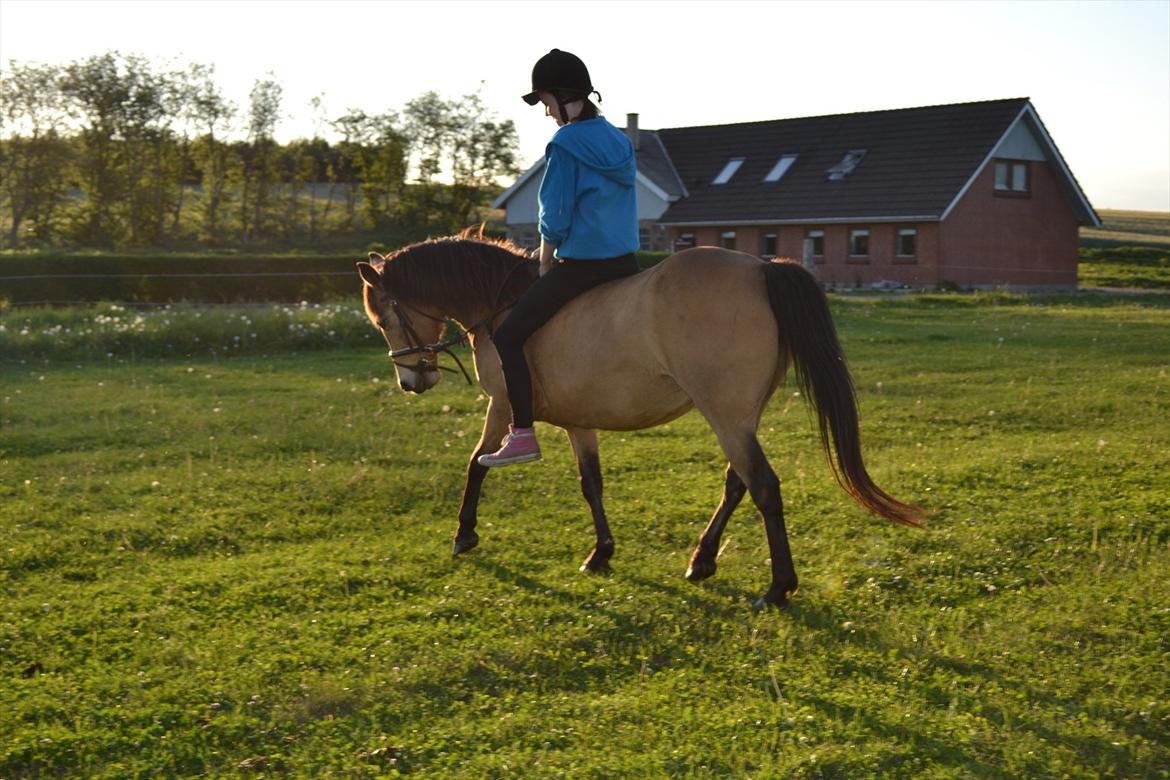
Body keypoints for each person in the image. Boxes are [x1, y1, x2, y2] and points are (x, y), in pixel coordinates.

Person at [478, 49, 640, 467]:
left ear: (567, 98)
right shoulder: (618, 140)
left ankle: (523, 435)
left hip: (583, 267)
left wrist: (546, 259)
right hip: (625, 264)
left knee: (508, 336)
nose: (548, 114)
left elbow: (555, 212)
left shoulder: (565, 143)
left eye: (547, 103)